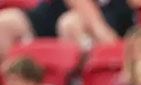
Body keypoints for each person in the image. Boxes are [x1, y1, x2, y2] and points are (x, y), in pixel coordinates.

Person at [0, 0, 134, 60]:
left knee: (69, 24)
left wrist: (100, 29)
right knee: (4, 23)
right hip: (51, 17)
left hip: (103, 20)